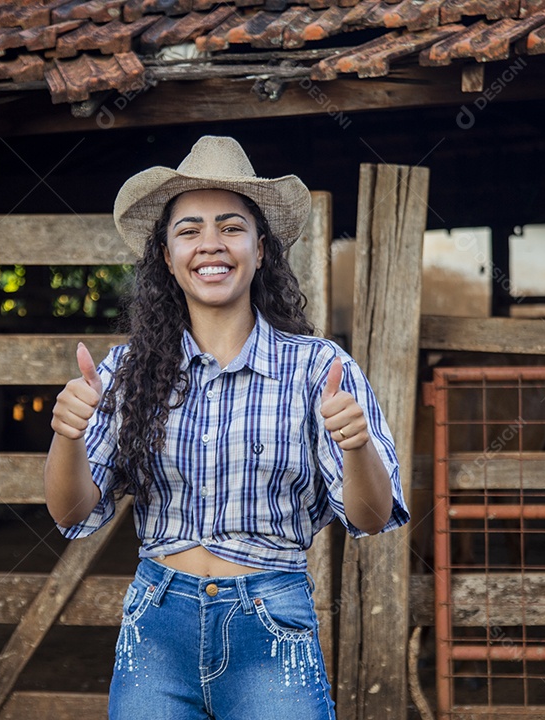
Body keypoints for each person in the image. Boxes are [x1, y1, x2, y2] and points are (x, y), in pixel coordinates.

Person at [44, 135, 409, 719]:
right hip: (156, 629)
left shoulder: (319, 370)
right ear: (167, 256)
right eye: (188, 230)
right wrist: (67, 434)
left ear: (260, 249)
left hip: (272, 628)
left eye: (230, 227)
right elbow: (71, 513)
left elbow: (369, 517)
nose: (210, 244)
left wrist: (357, 443)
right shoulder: (128, 372)